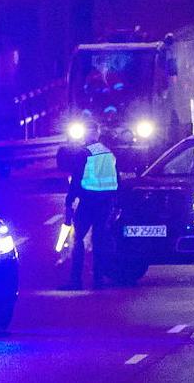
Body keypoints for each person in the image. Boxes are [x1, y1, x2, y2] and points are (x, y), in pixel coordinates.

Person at [60, 123, 118, 290]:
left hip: (88, 202)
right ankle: (98, 279)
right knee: (99, 240)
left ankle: (75, 280)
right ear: (98, 134)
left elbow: (77, 180)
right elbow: (116, 178)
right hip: (106, 202)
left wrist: (69, 200)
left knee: (78, 239)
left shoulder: (83, 153)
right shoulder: (108, 153)